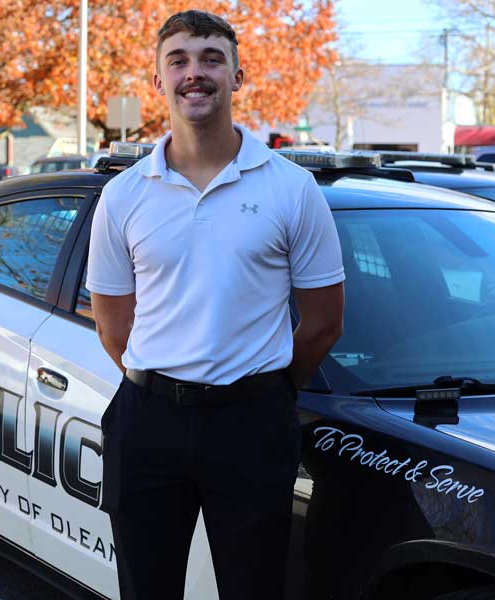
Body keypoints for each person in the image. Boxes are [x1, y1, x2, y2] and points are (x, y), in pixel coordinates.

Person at [87, 9, 345, 599]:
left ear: (238, 75)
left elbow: (325, 323)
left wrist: (264, 392)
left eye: (211, 58)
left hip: (251, 427)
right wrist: (169, 384)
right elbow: (113, 329)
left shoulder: (290, 188)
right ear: (157, 81)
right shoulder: (122, 196)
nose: (194, 73)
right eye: (177, 60)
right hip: (148, 424)